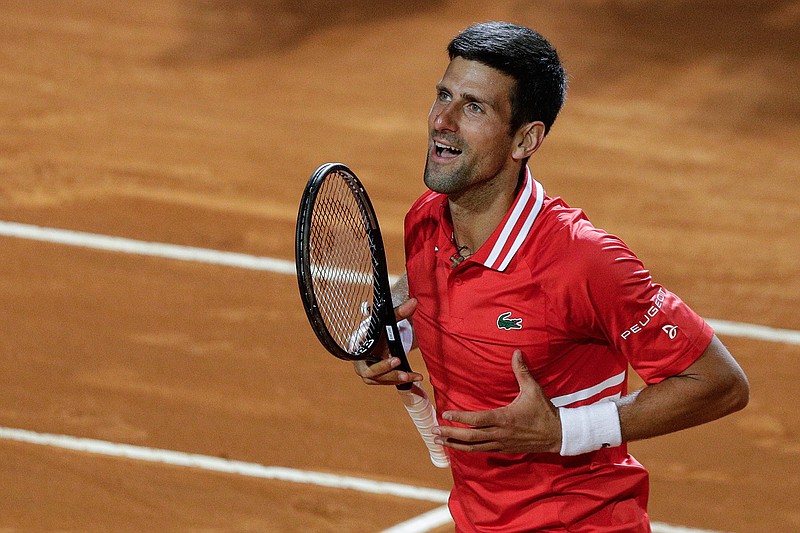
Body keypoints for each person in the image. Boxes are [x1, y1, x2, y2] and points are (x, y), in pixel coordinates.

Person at [354, 21, 749, 532]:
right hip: (478, 519)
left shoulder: (583, 261)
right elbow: (429, 287)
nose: (442, 121)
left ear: (525, 138)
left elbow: (721, 384)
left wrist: (564, 430)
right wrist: (392, 334)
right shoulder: (427, 218)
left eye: (474, 107)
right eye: (444, 96)